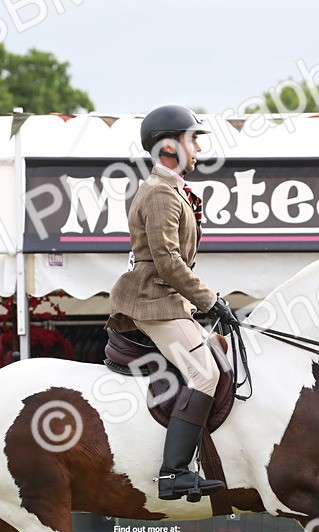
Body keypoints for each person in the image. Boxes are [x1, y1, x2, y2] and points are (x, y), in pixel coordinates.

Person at [107, 104, 237, 502]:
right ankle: (173, 473)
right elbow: (167, 261)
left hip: (168, 299)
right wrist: (210, 301)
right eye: (192, 139)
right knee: (205, 374)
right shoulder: (161, 193)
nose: (197, 148)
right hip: (153, 300)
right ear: (168, 146)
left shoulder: (170, 190)